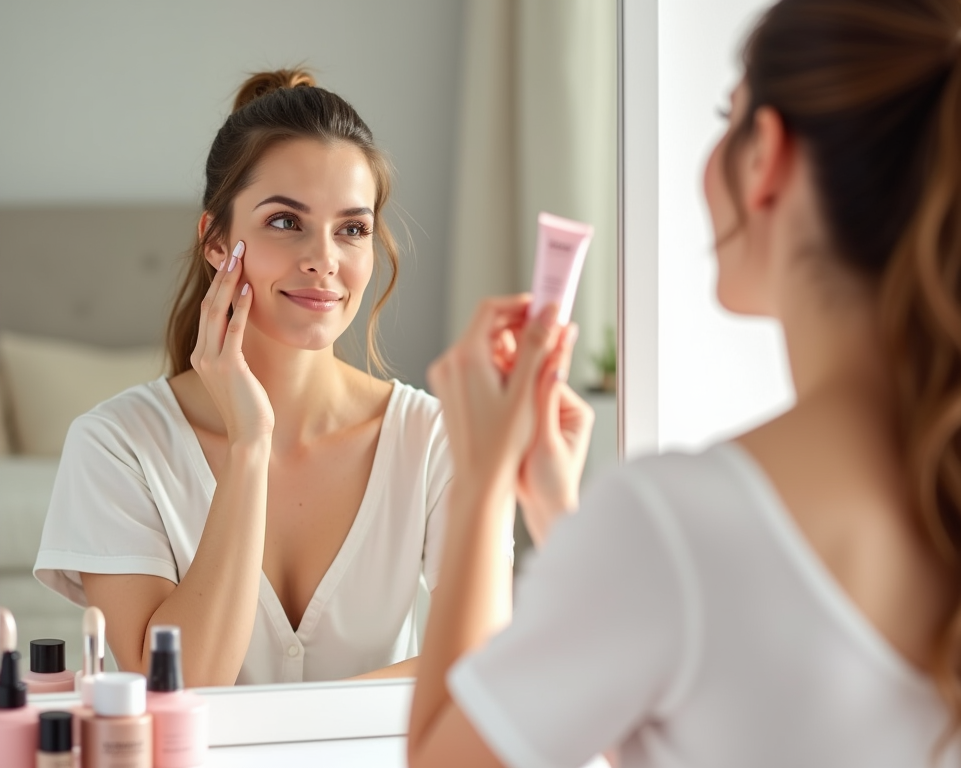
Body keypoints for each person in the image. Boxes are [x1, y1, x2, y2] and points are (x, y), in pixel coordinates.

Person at [408, 0, 961, 765]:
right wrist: (558, 510)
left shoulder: (675, 524)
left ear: (766, 156)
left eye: (724, 116)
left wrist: (479, 485)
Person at [34, 69, 512, 686]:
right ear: (215, 242)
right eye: (286, 222)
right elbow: (182, 685)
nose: (324, 259)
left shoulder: (437, 438)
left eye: (352, 228)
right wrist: (249, 444)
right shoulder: (116, 445)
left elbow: (487, 661)